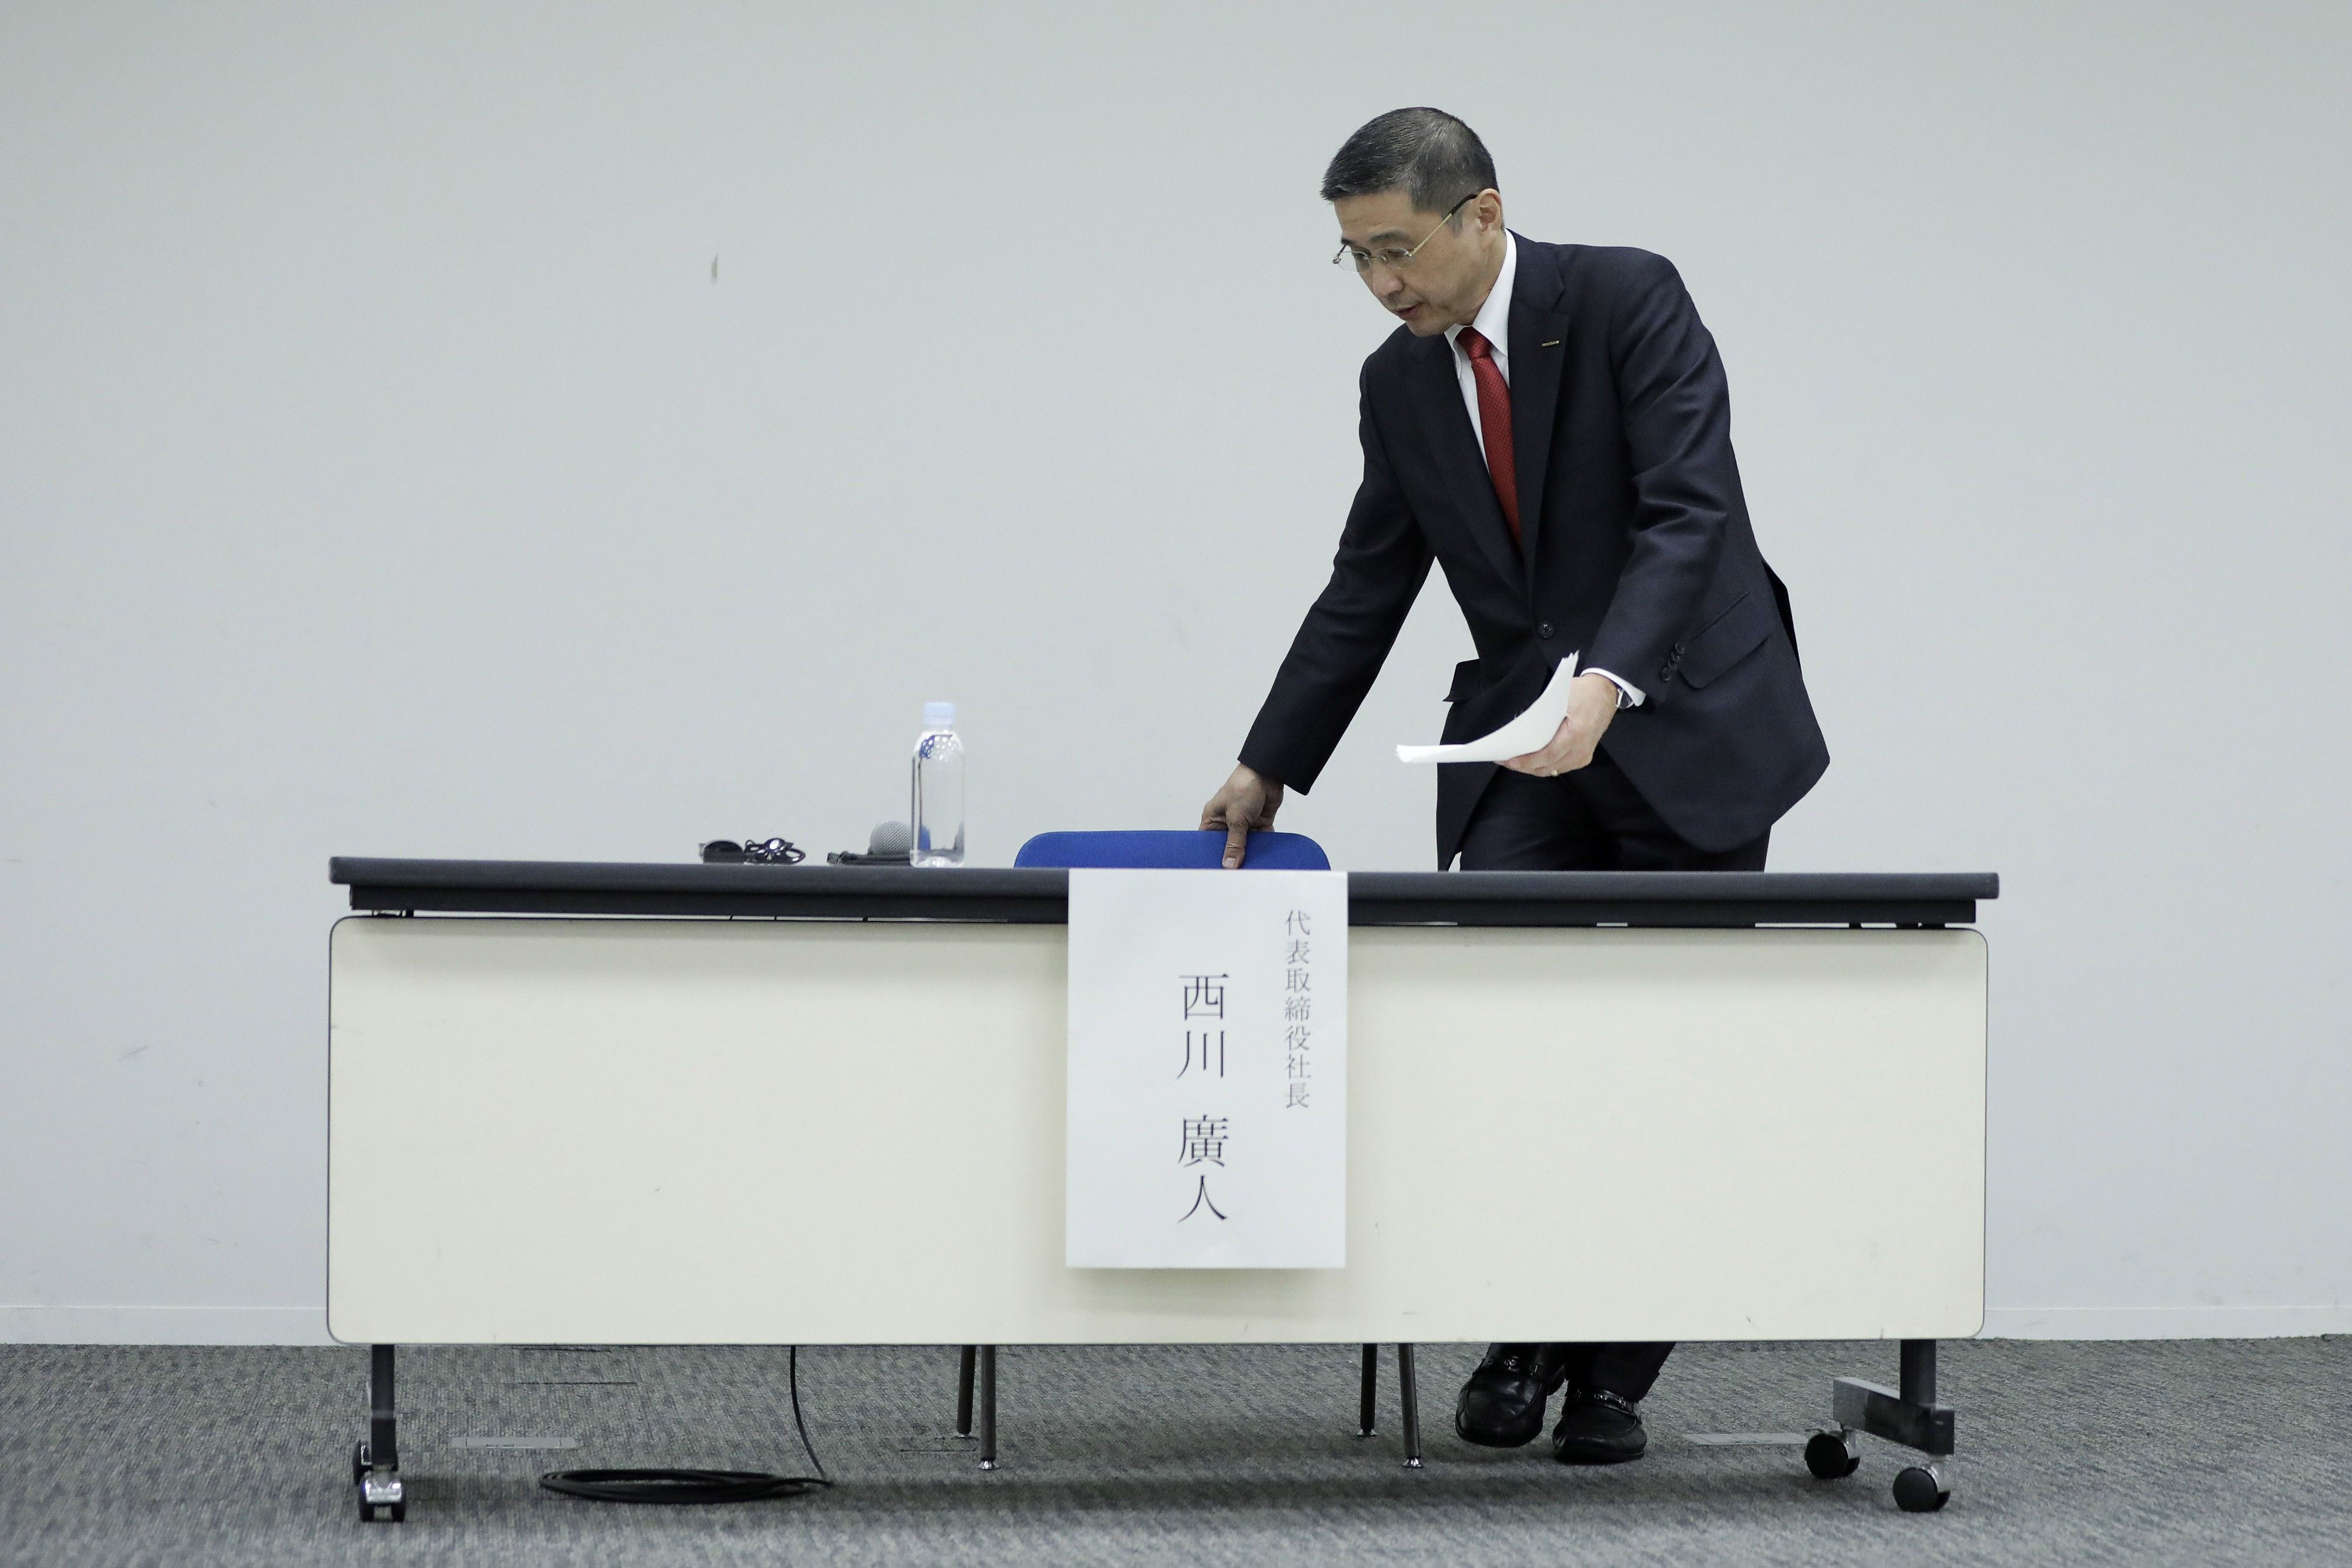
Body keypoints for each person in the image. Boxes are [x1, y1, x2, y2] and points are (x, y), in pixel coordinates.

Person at [1198, 108, 1829, 1465]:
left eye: (1396, 249)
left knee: (1662, 1059)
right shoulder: (1398, 378)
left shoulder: (1623, 296)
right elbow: (1369, 577)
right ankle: (1523, 1330)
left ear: (1481, 214)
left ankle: (1612, 1373)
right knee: (1509, 1035)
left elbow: (1687, 510)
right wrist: (1269, 760)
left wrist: (1609, 682)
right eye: (1354, 259)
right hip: (1522, 734)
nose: (1380, 284)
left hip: (1686, 712)